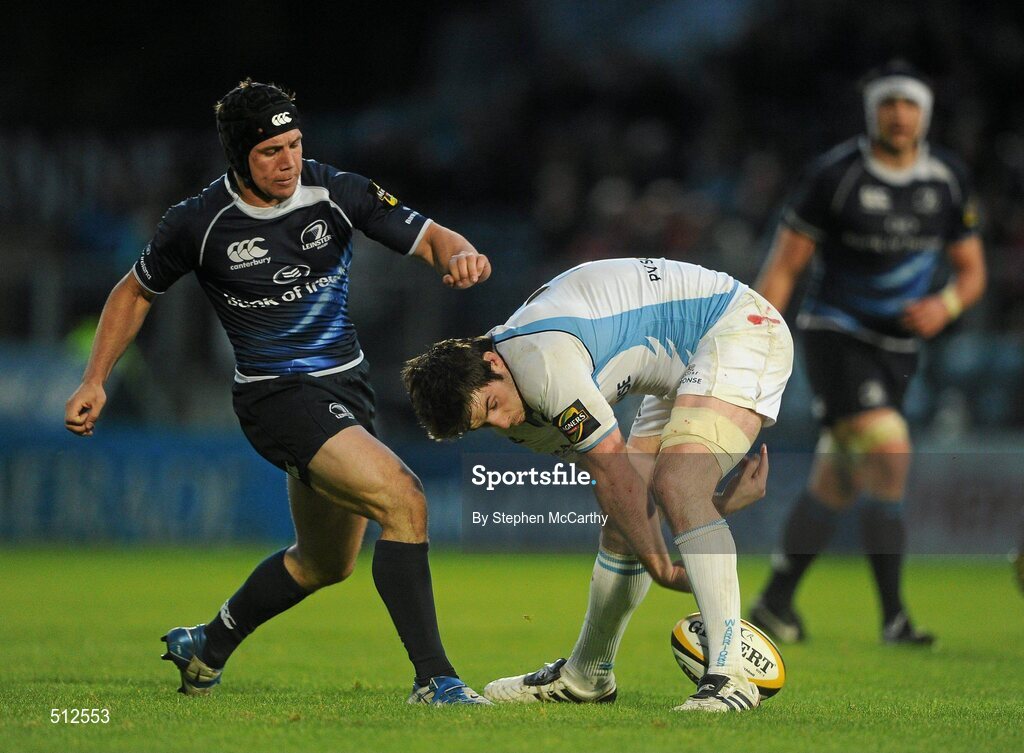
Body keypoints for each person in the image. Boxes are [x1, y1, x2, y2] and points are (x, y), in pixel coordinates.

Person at [63, 78, 494, 705]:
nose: (288, 161)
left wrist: (461, 255)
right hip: (276, 397)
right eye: (270, 151)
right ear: (239, 157)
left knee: (326, 564)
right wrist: (94, 378)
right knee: (405, 499)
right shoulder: (199, 222)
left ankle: (206, 646)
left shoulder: (336, 191)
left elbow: (429, 236)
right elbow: (135, 291)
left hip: (346, 389)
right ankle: (435, 680)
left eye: (293, 144)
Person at [402, 256, 793, 712]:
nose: (502, 421)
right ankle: (587, 676)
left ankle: (730, 677)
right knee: (622, 525)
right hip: (677, 367)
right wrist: (716, 509)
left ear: (492, 360)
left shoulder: (543, 365)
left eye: (491, 403)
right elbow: (625, 496)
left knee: (680, 482)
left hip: (736, 323)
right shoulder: (514, 403)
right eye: (481, 423)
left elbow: (619, 476)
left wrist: (665, 568)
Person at [749, 60, 986, 646]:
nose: (898, 114)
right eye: (888, 103)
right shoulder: (836, 176)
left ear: (924, 112)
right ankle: (894, 618)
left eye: (909, 103)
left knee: (838, 480)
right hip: (837, 332)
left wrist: (947, 306)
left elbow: (973, 271)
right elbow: (784, 266)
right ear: (871, 110)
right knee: (890, 450)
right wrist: (751, 338)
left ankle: (775, 602)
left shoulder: (947, 180)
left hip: (900, 349)